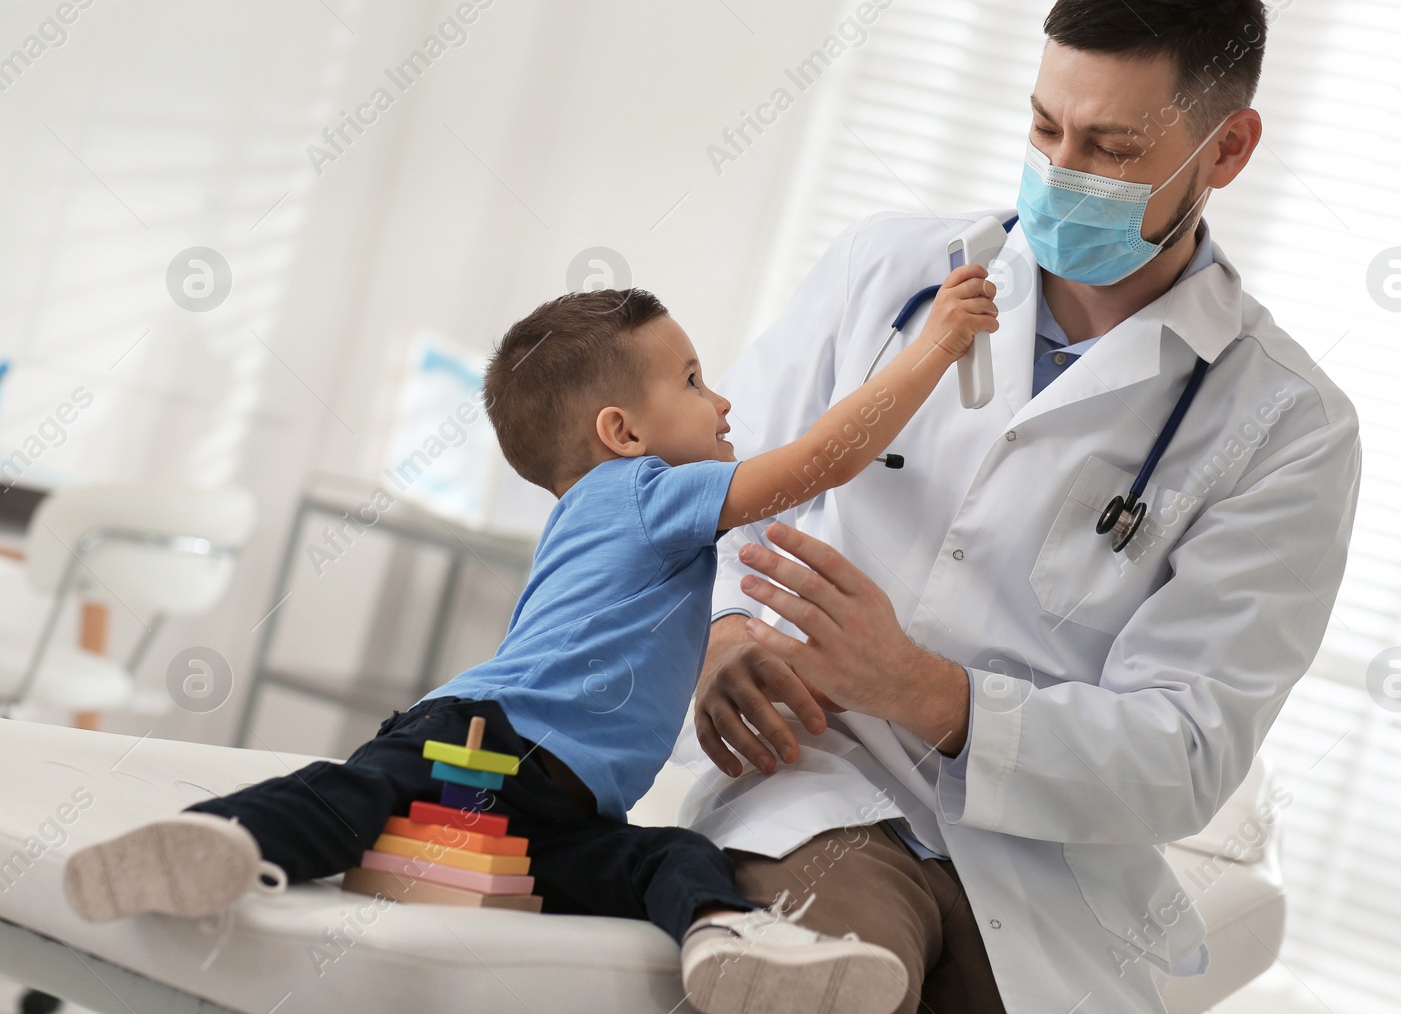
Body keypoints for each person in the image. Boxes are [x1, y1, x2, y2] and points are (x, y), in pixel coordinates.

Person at [683, 0, 1361, 1012]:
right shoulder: (885, 275)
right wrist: (721, 633)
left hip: (1048, 872)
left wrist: (924, 690)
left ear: (1227, 149)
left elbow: (1185, 752)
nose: (1057, 169)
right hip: (818, 786)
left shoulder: (1285, 425)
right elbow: (708, 499)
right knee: (827, 976)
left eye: (1110, 146)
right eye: (1044, 127)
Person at [62, 278, 998, 1014]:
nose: (722, 402)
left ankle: (732, 943)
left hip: (562, 806)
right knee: (359, 790)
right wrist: (938, 347)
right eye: (693, 379)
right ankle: (211, 839)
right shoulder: (643, 490)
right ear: (622, 433)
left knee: (659, 857)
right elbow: (821, 461)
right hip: (487, 734)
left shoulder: (599, 509)